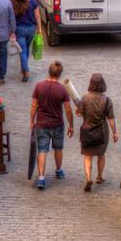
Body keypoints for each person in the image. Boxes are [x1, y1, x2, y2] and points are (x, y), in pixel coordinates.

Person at [30, 58, 74, 190]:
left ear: (49, 72)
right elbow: (67, 109)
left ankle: (41, 178)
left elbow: (34, 106)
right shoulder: (62, 90)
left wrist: (32, 121)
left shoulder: (39, 86)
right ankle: (59, 170)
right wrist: (71, 125)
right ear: (59, 74)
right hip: (57, 124)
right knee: (58, 149)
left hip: (42, 124)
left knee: (42, 150)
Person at [76, 72, 118, 191]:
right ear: (102, 84)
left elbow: (79, 113)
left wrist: (78, 110)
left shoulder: (84, 98)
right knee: (101, 155)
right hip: (102, 132)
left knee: (88, 157)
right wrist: (115, 132)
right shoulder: (107, 100)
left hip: (87, 130)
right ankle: (99, 176)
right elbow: (111, 119)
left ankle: (88, 177)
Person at [10, 0, 40, 82]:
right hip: (31, 28)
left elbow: (11, 18)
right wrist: (39, 29)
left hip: (19, 29)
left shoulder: (12, 2)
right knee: (26, 48)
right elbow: (37, 16)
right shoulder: (32, 2)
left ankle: (25, 70)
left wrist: (11, 30)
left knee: (22, 50)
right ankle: (24, 67)